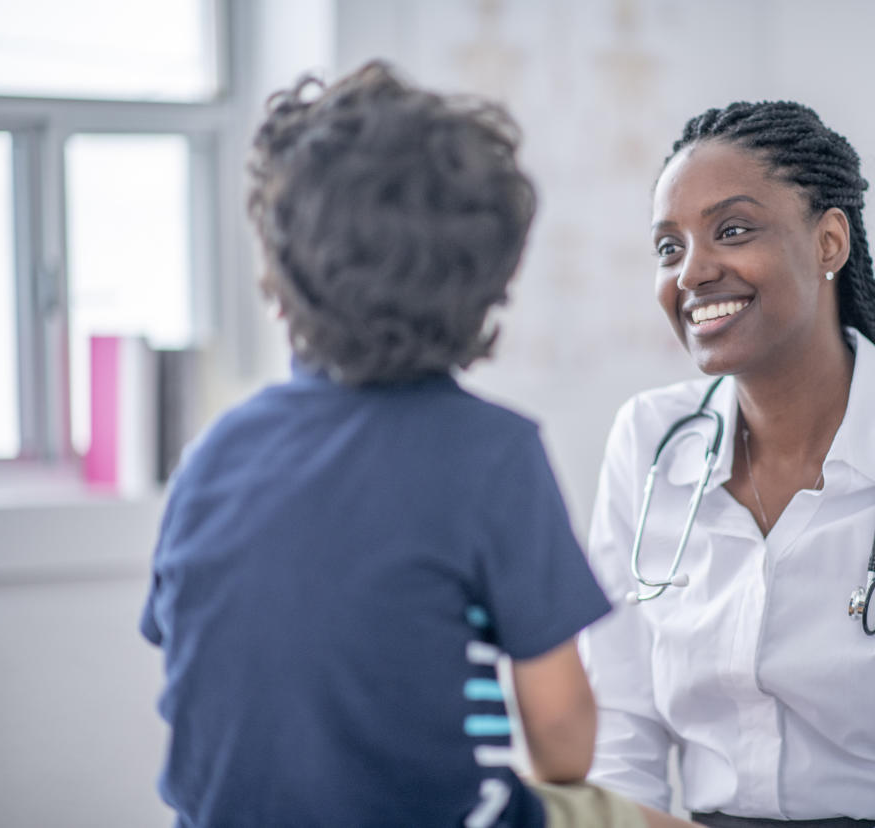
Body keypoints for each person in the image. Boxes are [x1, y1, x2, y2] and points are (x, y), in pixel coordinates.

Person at [140, 60, 694, 828]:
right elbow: (563, 739)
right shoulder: (492, 455)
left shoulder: (214, 453)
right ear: (490, 276)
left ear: (282, 265)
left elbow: (204, 656)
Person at [579, 101, 875, 827]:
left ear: (829, 240)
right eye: (668, 248)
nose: (692, 273)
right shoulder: (648, 441)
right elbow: (618, 740)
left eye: (732, 231)